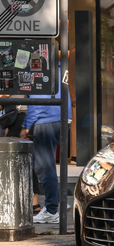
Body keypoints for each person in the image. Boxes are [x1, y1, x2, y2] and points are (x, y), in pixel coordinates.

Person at [20, 87, 72, 224]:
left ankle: (51, 210)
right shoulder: (58, 68)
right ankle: (54, 206)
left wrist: (27, 125)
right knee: (46, 165)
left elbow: (38, 101)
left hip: (47, 120)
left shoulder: (40, 69)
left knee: (44, 166)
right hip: (61, 118)